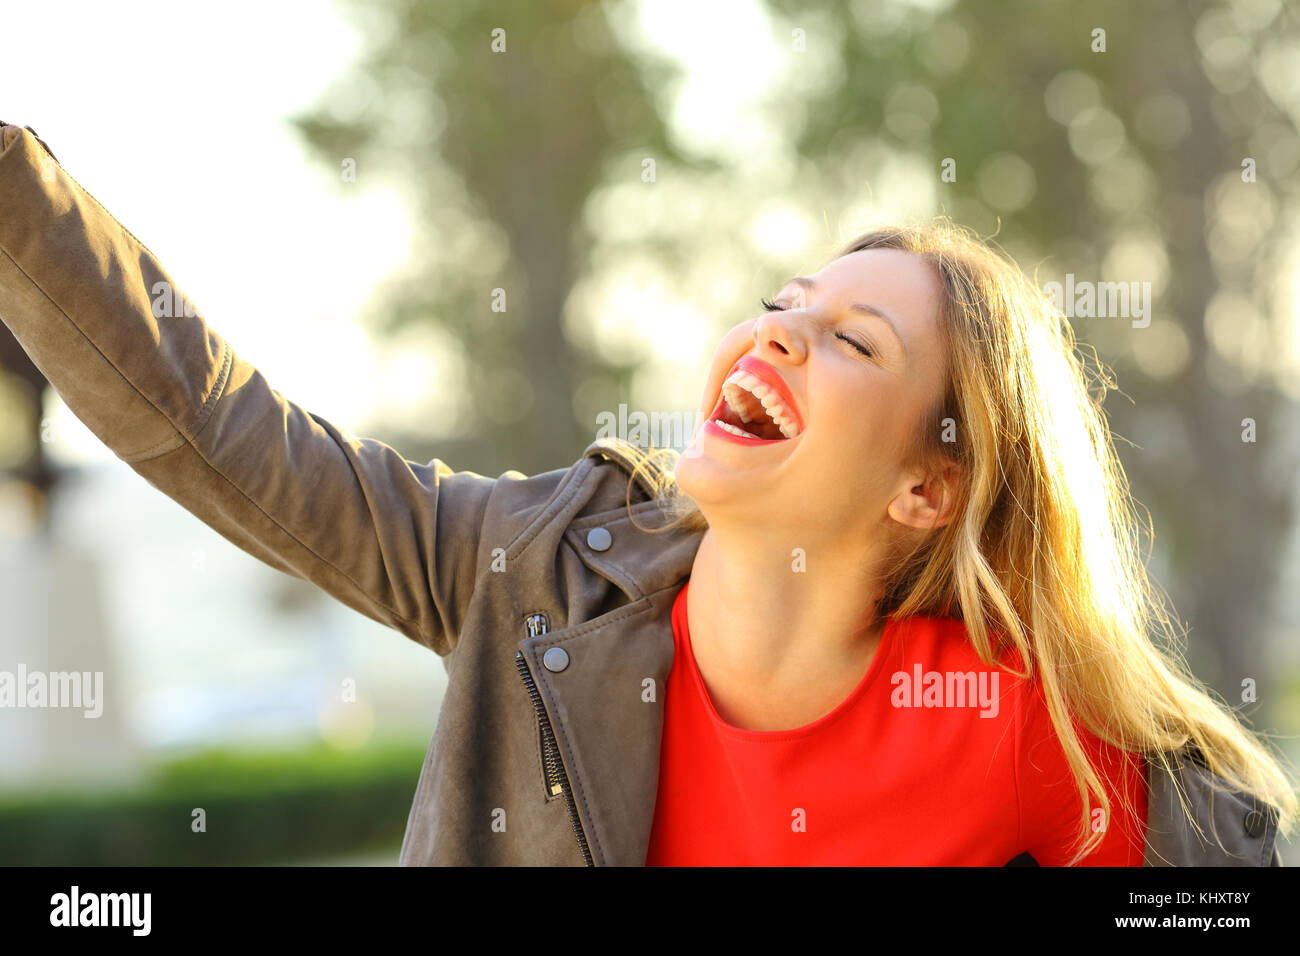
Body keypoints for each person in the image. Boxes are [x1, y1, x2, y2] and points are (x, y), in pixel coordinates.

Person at [0, 121, 1292, 865]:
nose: (778, 333)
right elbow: (224, 436)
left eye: (852, 344)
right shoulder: (527, 570)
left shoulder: (1010, 725)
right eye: (785, 306)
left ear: (925, 489)